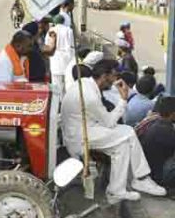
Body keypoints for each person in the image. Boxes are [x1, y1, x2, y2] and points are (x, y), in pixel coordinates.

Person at [61, 59, 165, 204]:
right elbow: (109, 122)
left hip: (84, 130)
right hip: (80, 136)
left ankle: (116, 190)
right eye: (113, 76)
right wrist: (123, 99)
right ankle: (141, 178)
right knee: (128, 132)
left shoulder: (86, 83)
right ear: (104, 76)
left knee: (121, 147)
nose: (115, 80)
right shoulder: (89, 95)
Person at [138, 96, 175, 188]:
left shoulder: (153, 120)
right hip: (159, 176)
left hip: (148, 169)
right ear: (173, 114)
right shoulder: (167, 131)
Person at [47, 15, 74, 95]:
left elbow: (47, 45)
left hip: (55, 59)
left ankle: (56, 104)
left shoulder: (51, 30)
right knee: (67, 84)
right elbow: (71, 45)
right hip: (66, 59)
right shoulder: (68, 30)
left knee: (56, 86)